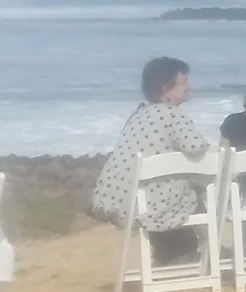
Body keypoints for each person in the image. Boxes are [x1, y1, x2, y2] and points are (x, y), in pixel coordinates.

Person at [88, 58, 211, 244]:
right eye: (184, 82)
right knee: (196, 186)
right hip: (154, 206)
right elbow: (195, 147)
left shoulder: (138, 115)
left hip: (122, 202)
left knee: (179, 181)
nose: (190, 86)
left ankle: (191, 247)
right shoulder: (174, 114)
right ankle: (209, 245)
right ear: (165, 89)